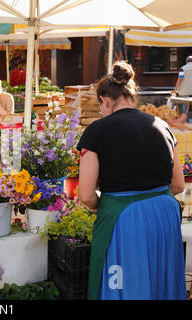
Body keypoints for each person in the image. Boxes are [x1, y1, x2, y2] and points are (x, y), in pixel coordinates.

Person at [77, 61, 186, 300]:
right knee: (162, 282)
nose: (101, 112)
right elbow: (178, 184)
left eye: (101, 106)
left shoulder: (96, 131)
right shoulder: (163, 126)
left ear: (105, 99)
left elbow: (85, 194)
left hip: (125, 219)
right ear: (132, 97)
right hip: (165, 216)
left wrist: (102, 206)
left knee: (126, 287)